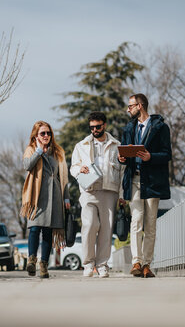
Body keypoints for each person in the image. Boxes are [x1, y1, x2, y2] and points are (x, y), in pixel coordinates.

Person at [118, 94, 172, 278]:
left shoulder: (161, 127)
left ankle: (147, 264)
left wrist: (151, 157)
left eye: (130, 106)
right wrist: (121, 158)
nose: (128, 109)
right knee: (136, 220)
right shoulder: (128, 128)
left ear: (140, 106)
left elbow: (167, 154)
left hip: (152, 180)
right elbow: (124, 151)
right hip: (134, 179)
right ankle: (136, 261)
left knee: (150, 224)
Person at [70, 112, 123, 278]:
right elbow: (73, 167)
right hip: (88, 190)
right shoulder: (81, 145)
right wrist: (80, 170)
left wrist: (121, 195)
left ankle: (102, 265)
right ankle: (88, 264)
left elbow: (122, 171)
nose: (94, 130)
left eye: (98, 126)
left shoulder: (116, 145)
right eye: (92, 127)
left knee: (106, 229)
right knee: (90, 225)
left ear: (104, 125)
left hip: (109, 190)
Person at [21, 121, 70, 278]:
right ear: (36, 135)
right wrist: (38, 151)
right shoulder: (30, 149)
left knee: (48, 232)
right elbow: (27, 166)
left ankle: (44, 265)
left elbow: (63, 177)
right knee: (34, 228)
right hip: (36, 195)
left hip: (54, 195)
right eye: (43, 133)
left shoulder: (58, 152)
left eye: (48, 133)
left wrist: (66, 198)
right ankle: (31, 261)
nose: (46, 136)